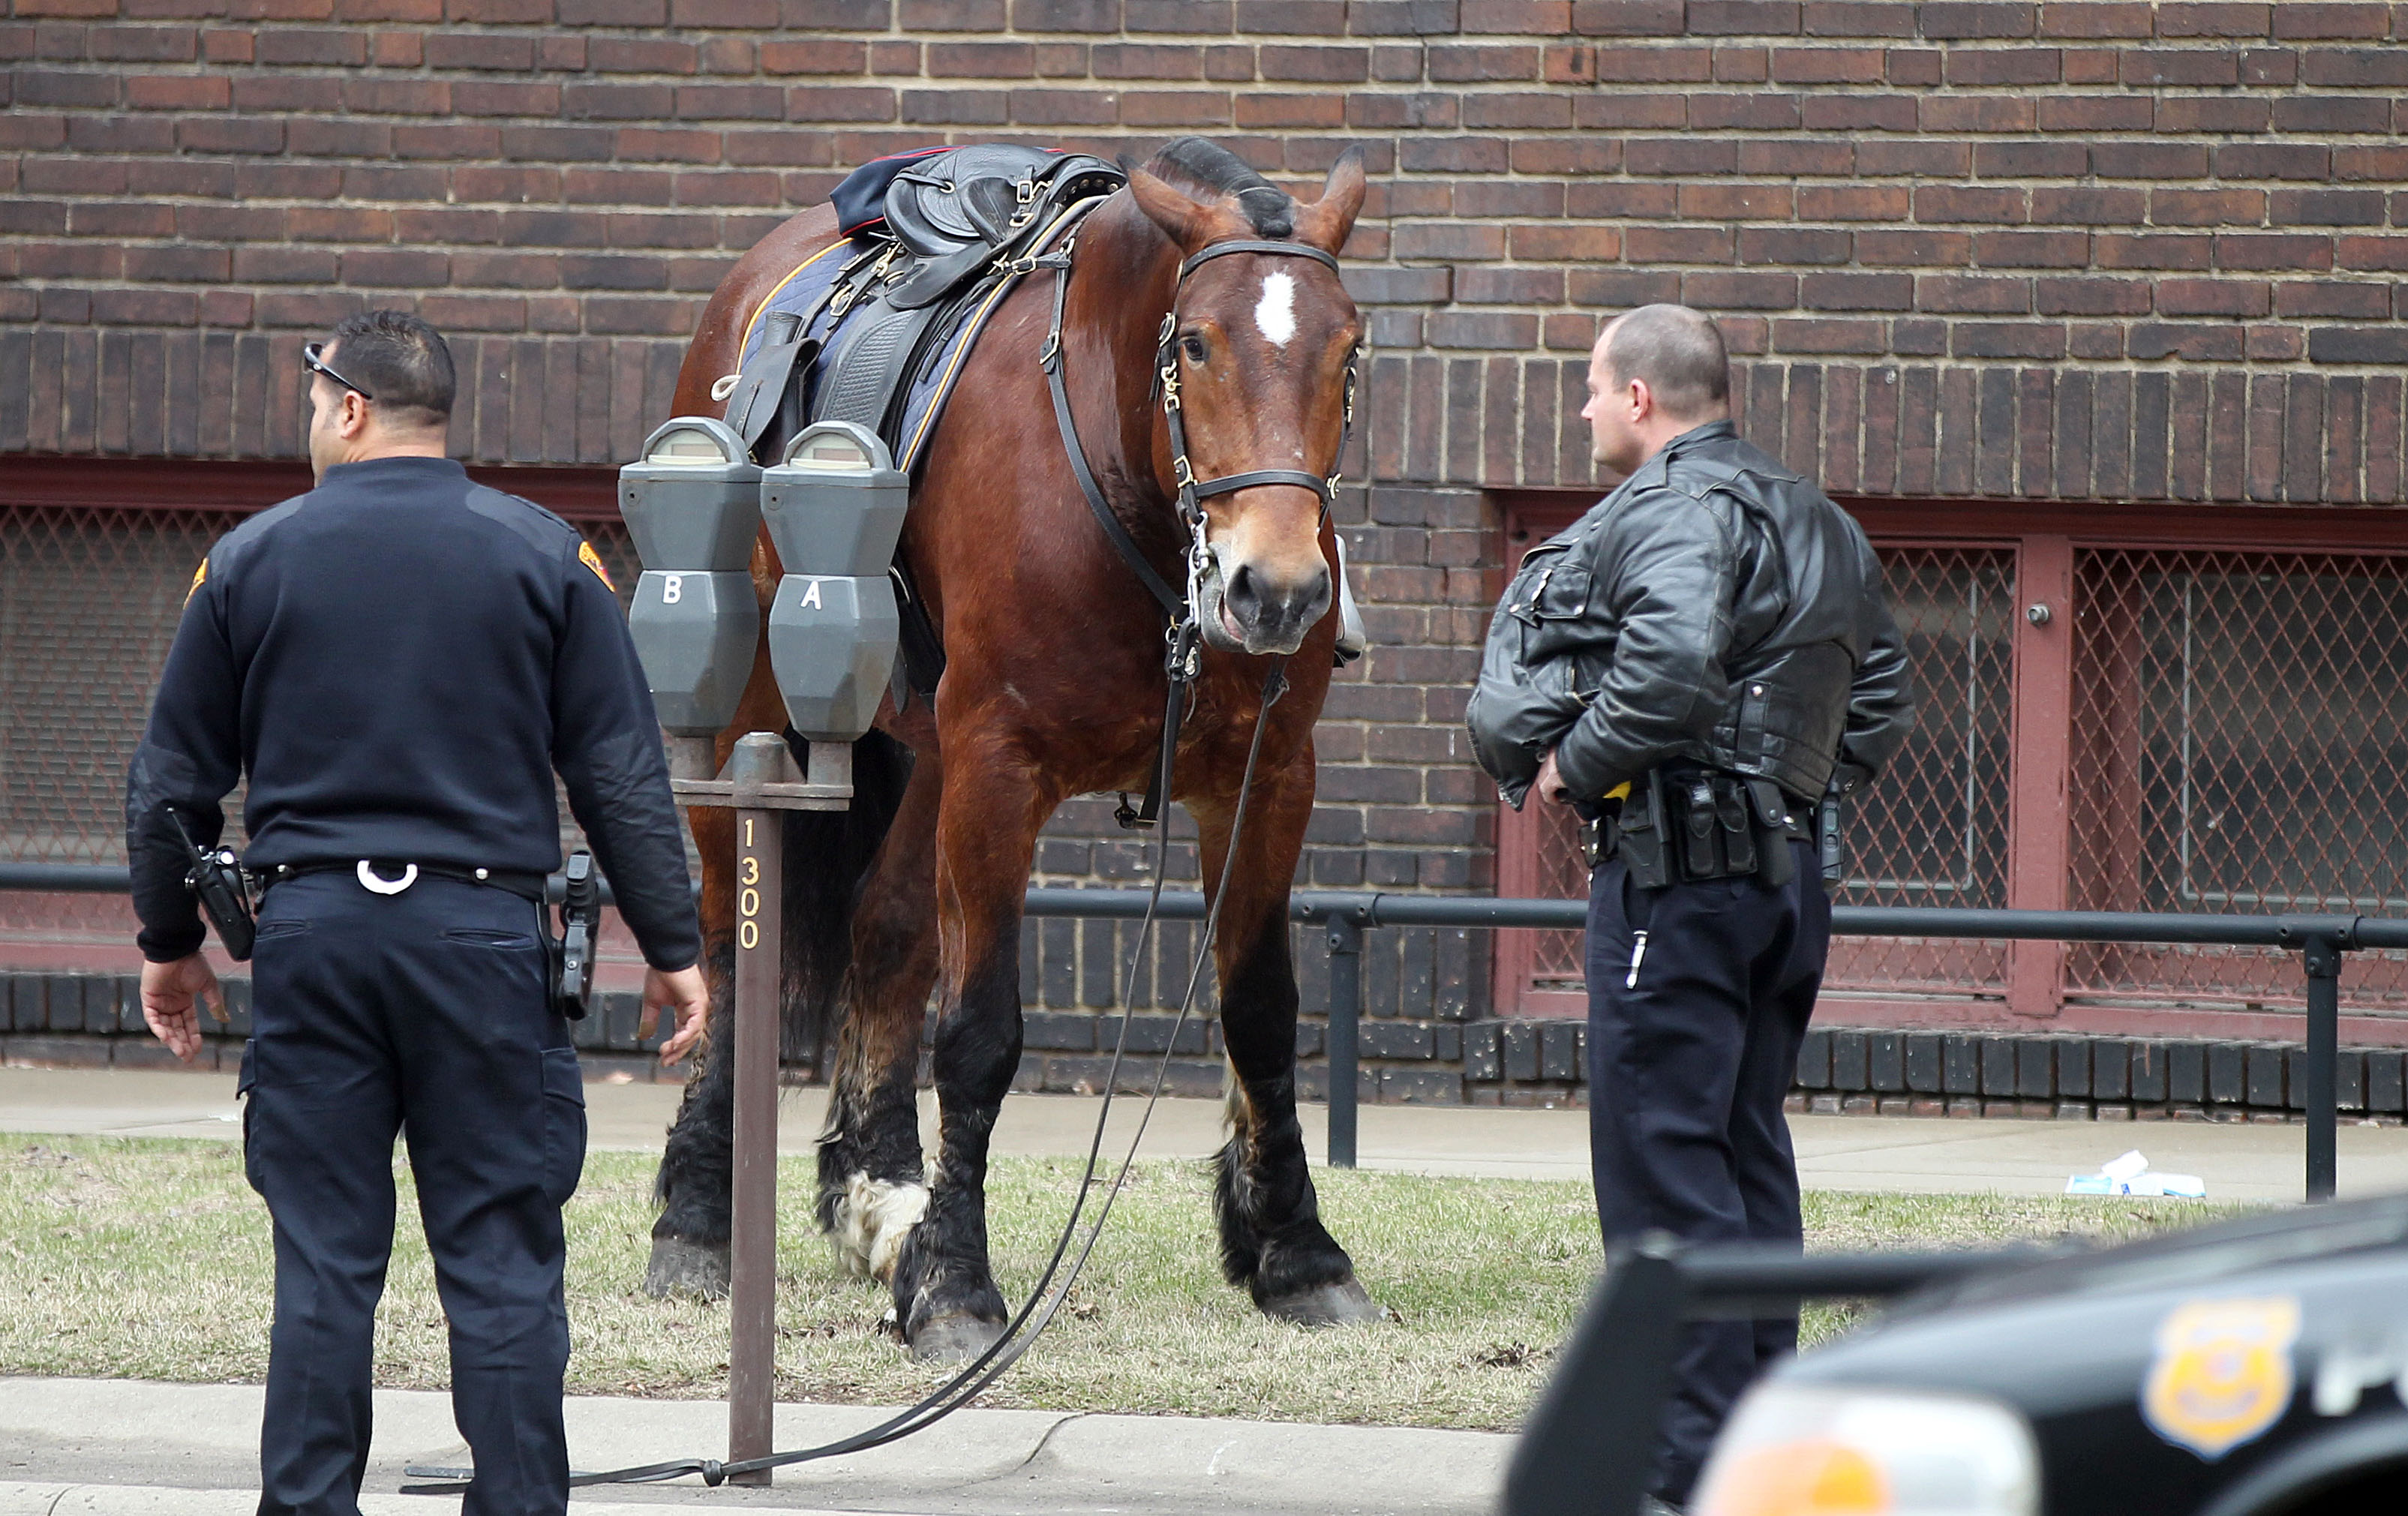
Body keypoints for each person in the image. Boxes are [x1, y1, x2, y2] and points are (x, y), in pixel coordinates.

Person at [126, 310, 711, 1516]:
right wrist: (673, 946)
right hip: (485, 946)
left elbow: (170, 783)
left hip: (314, 943)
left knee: (326, 1267)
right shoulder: (549, 556)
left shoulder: (246, 560)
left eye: (311, 406)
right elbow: (619, 769)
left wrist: (169, 945)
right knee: (500, 1265)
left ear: (349, 408)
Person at [1467, 304, 1913, 1511]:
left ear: (1642, 401)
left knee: (1665, 1171)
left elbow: (1663, 666)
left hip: (1677, 879)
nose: (1581, 411)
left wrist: (1573, 768)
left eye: (1590, 389)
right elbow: (1878, 694)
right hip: (1780, 883)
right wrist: (1780, 788)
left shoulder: (1670, 506)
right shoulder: (1816, 514)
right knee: (1745, 1154)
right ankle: (1766, 1453)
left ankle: (1691, 1473)